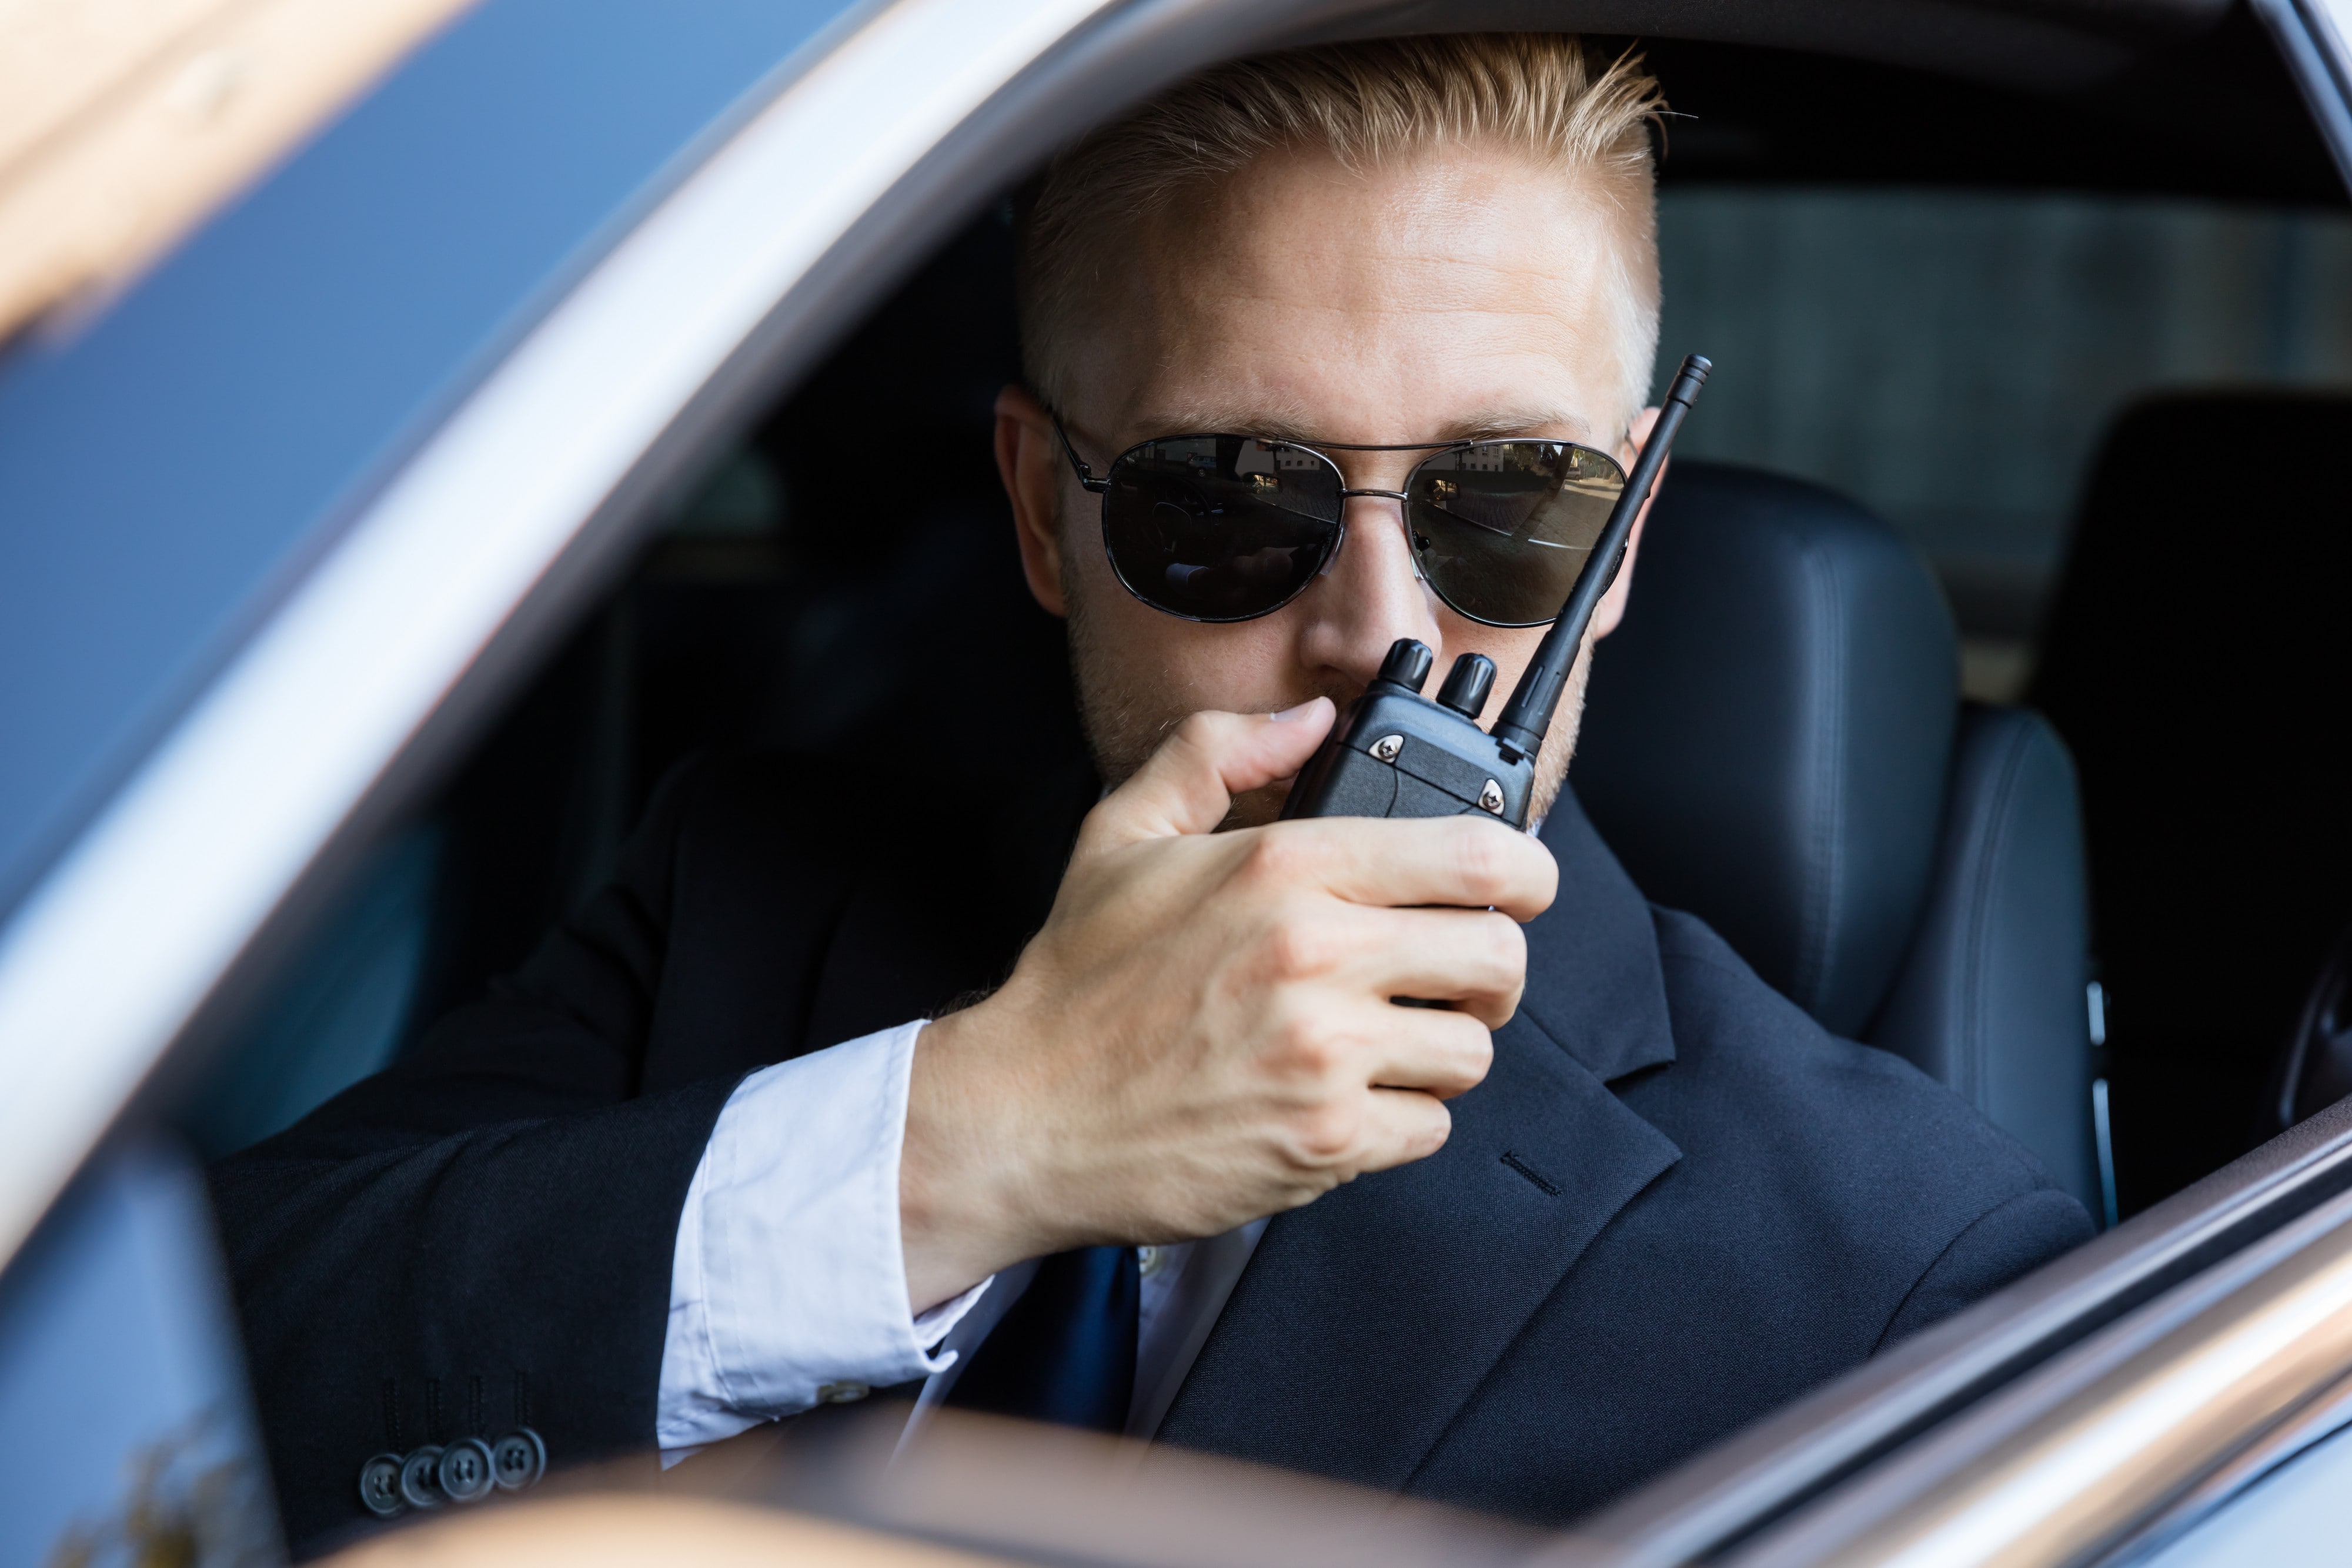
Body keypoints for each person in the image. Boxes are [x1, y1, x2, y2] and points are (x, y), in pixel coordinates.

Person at [212, 34, 2092, 1553]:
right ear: (1043, 511)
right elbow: (186, 1383)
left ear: (1630, 528)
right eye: (1228, 504)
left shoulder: (1909, 1273)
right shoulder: (760, 884)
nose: (1377, 630)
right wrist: (962, 1145)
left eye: (1507, 507)